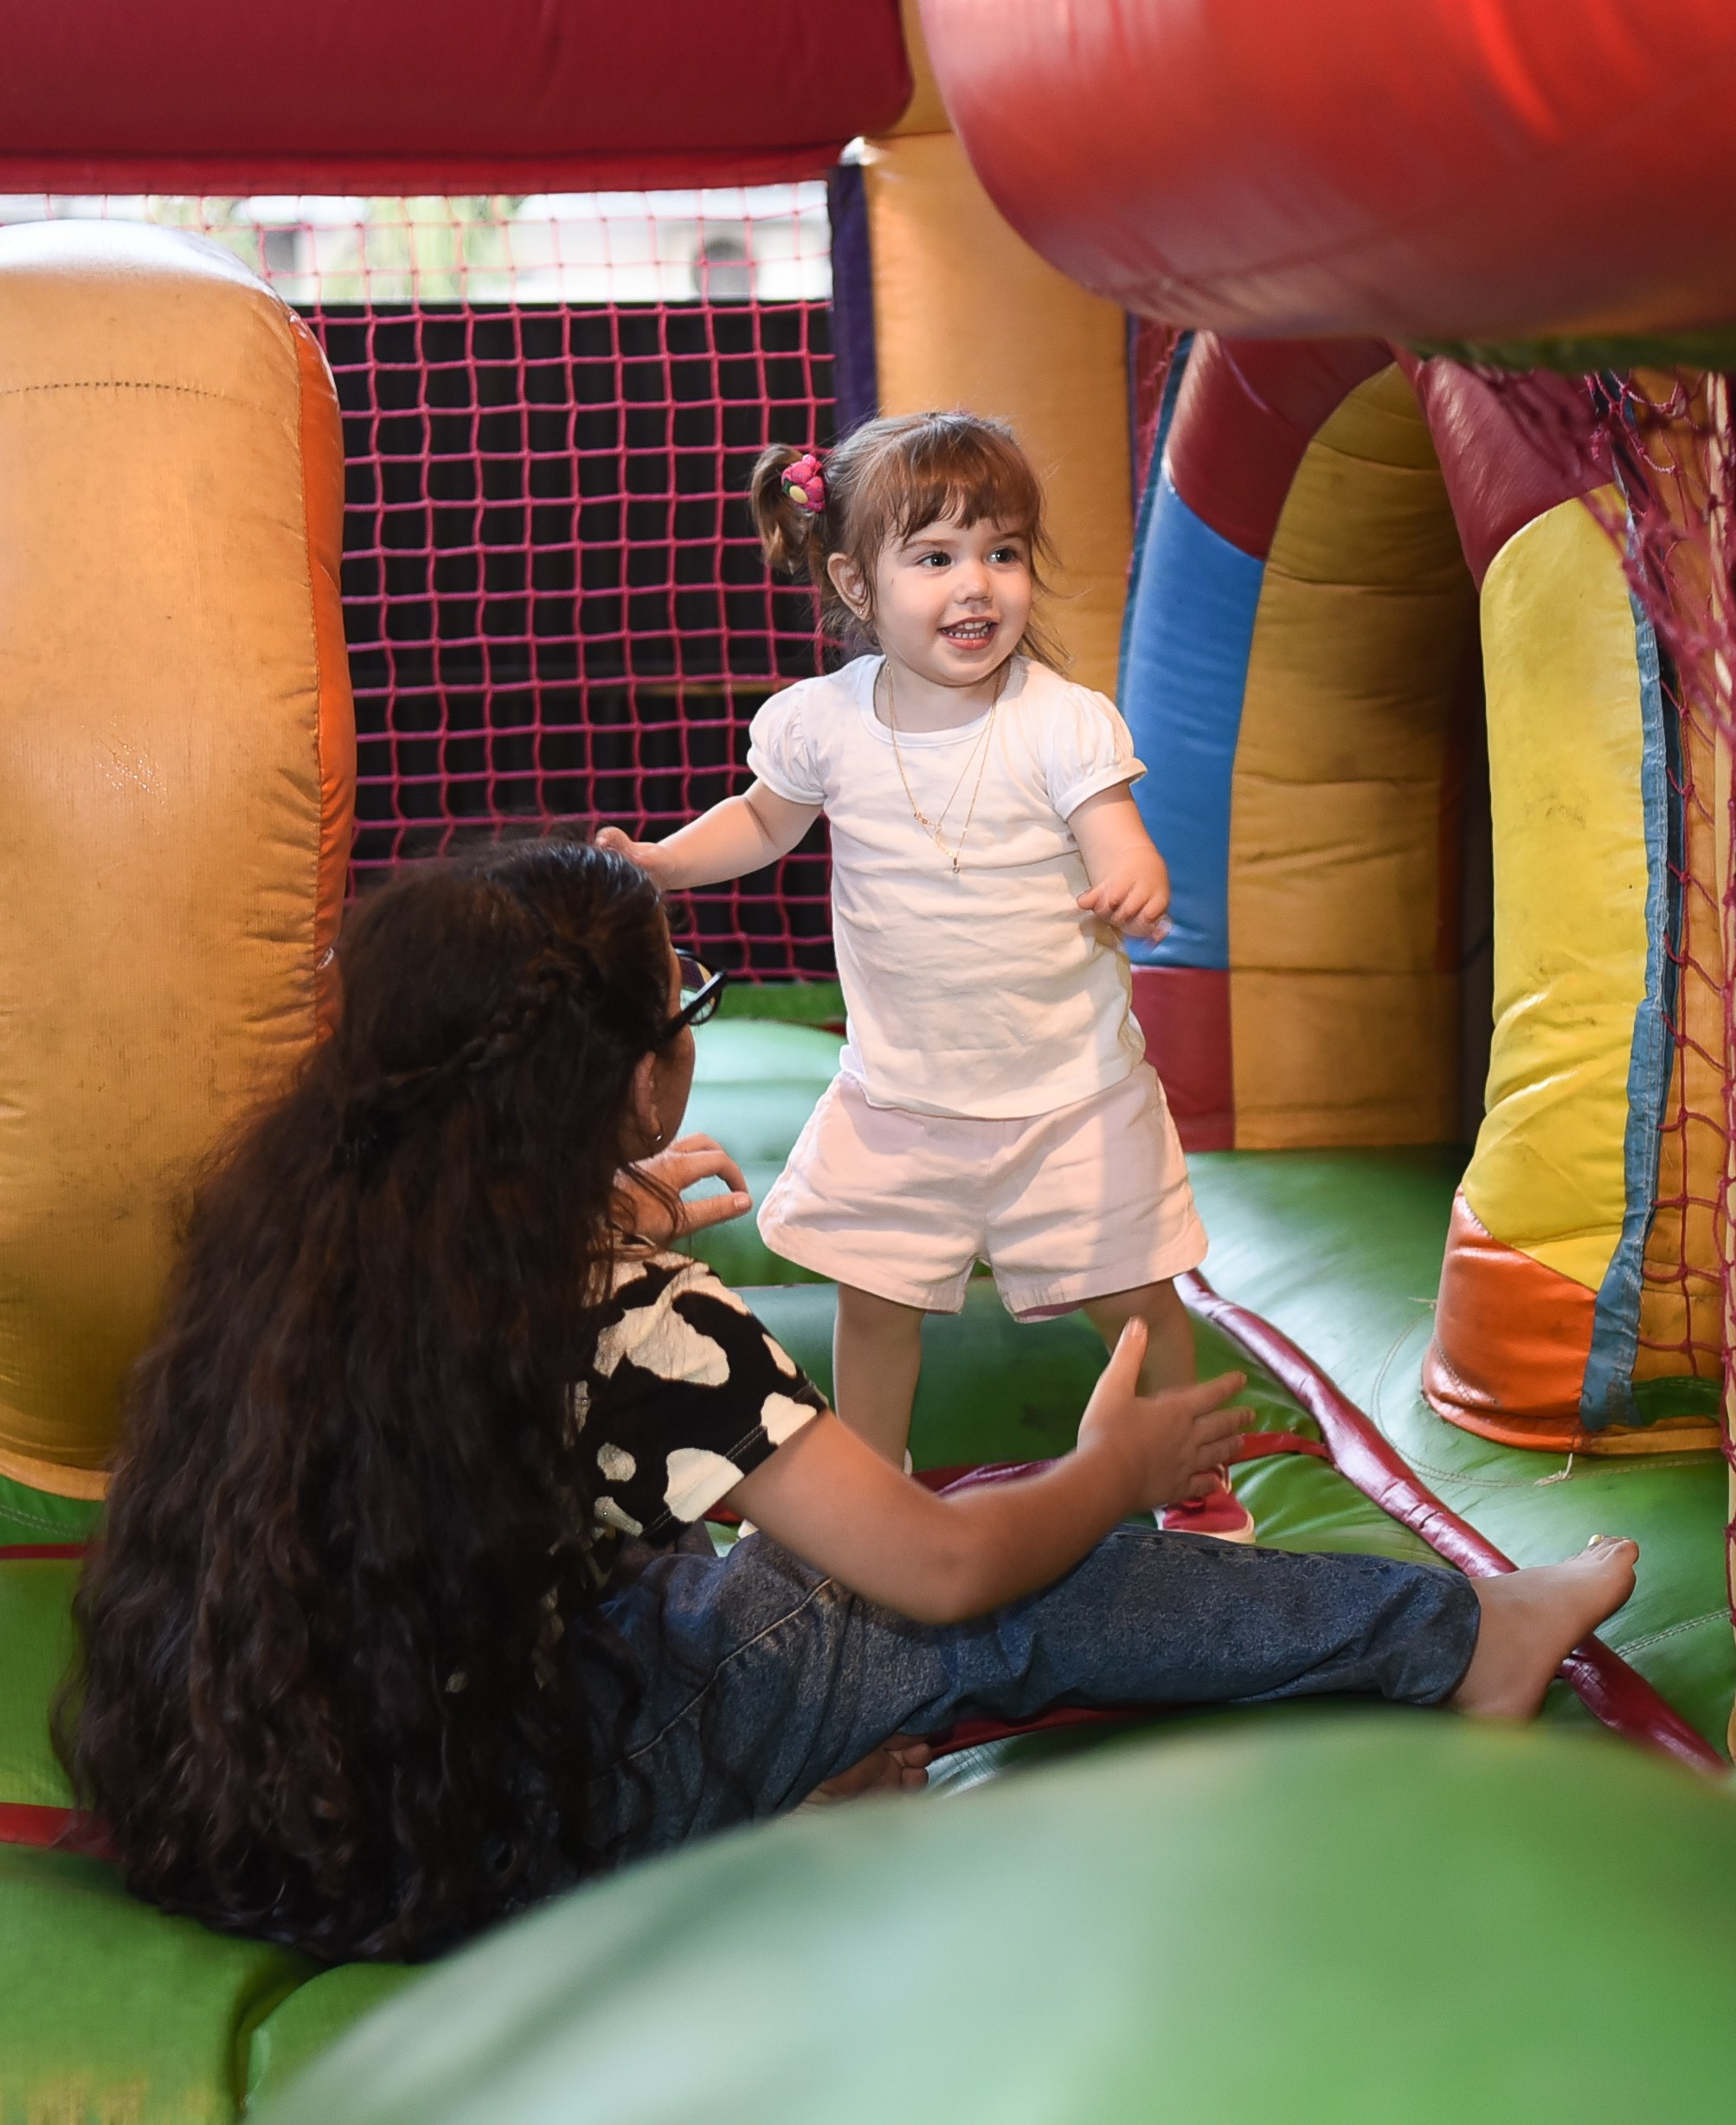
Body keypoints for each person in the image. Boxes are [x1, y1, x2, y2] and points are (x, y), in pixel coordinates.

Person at [61, 839, 1640, 1964]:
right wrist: (1109, 1469)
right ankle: (1464, 1641)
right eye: (678, 1006)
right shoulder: (643, 1331)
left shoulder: (309, 1230)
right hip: (509, 1833)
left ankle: (742, 1802)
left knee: (710, 1574)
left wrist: (601, 1207)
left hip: (281, 1801)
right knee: (956, 1580)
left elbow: (502, 1382)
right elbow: (942, 1572)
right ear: (635, 1081)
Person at [599, 411, 1248, 1537]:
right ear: (855, 579)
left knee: (1135, 1290)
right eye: (935, 556)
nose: (976, 586)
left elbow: (1112, 826)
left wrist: (1130, 873)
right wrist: (660, 862)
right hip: (902, 1093)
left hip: (1069, 1093)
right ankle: (871, 1479)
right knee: (873, 1291)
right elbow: (760, 820)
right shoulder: (823, 723)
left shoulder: (1060, 722)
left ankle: (1189, 1473)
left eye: (1001, 553)